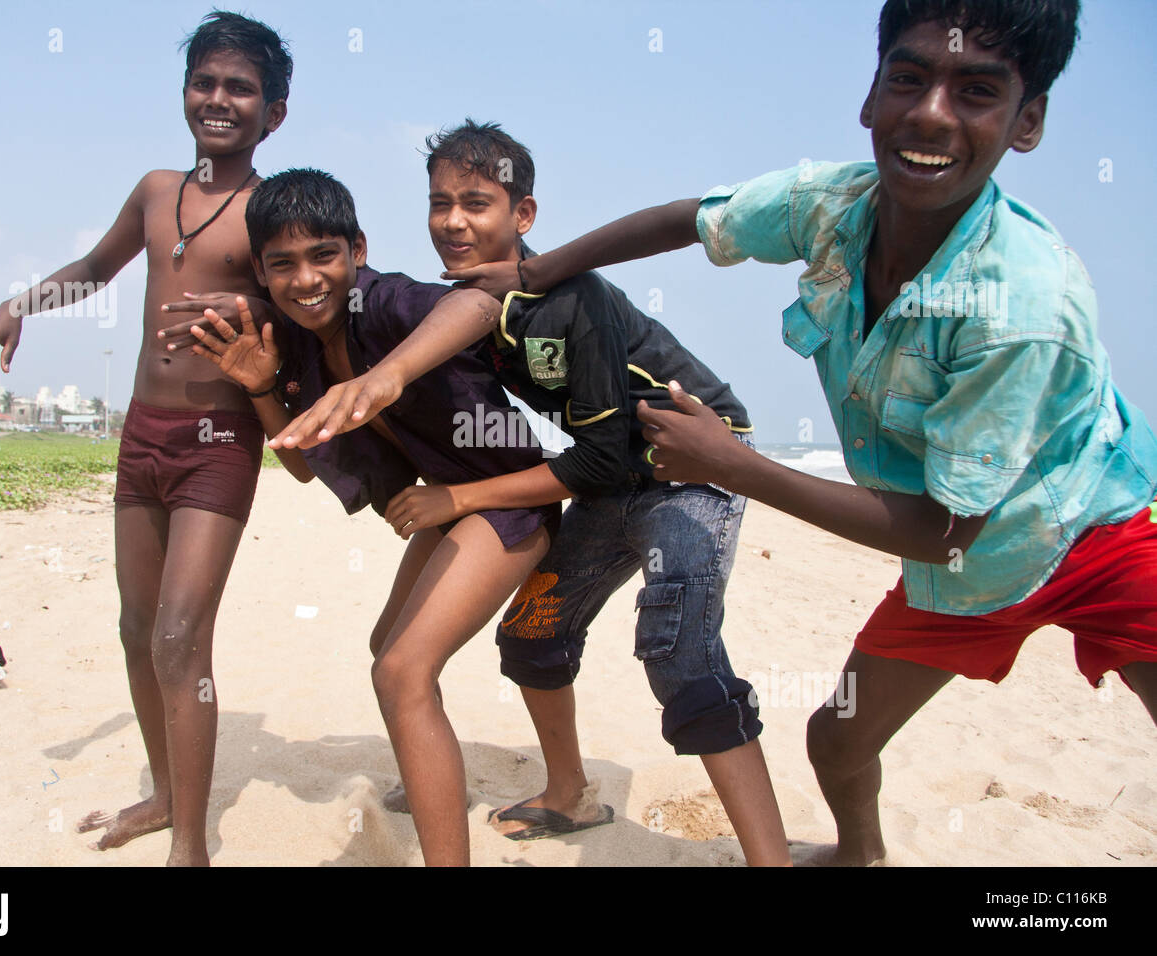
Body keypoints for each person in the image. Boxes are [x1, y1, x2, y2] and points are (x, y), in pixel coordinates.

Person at [415, 0, 1157, 865]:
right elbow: (690, 220)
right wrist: (538, 270)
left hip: (1096, 536)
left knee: (682, 653)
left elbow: (947, 528)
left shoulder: (1024, 308)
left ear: (1026, 122)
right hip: (956, 566)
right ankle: (857, 857)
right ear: (871, 96)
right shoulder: (831, 205)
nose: (929, 112)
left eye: (978, 91)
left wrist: (733, 463)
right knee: (833, 741)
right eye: (908, 78)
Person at [272, 121, 792, 865]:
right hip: (614, 476)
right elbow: (583, 445)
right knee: (533, 637)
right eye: (439, 202)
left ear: (523, 216)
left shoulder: (569, 300)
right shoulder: (475, 300)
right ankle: (570, 792)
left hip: (698, 467)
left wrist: (459, 499)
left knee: (680, 653)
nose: (453, 221)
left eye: (477, 203)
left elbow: (602, 457)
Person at [0, 11, 293, 866]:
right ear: (186, 93)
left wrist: (251, 309)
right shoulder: (156, 191)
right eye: (206, 82)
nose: (219, 100)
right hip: (141, 434)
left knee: (183, 635)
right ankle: (163, 789)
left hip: (221, 439)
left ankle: (191, 844)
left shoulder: (269, 210)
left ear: (275, 113)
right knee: (135, 625)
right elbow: (94, 269)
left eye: (241, 88)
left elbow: (309, 301)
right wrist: (13, 307)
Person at [186, 167, 559, 866]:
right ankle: (429, 770)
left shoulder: (388, 304)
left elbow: (476, 304)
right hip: (448, 504)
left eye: (323, 255)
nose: (306, 280)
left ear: (357, 250)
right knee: (387, 644)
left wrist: (385, 374)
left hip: (513, 495)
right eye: (283, 264)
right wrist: (265, 388)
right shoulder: (295, 345)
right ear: (263, 275)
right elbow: (301, 462)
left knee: (401, 671)